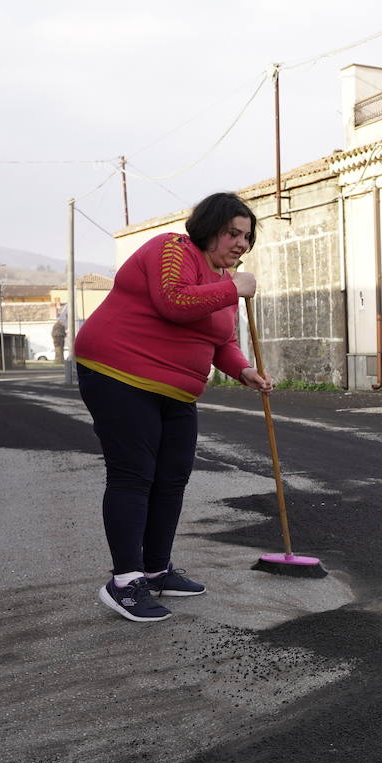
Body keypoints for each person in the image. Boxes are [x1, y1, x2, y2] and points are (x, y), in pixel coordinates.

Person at [74, 192, 272, 622]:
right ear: (209, 227)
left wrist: (243, 371)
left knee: (172, 477)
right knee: (133, 475)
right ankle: (124, 583)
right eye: (232, 233)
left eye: (247, 236)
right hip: (118, 374)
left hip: (177, 390)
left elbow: (222, 341)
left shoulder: (221, 278)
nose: (240, 243)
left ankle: (155, 569)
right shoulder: (172, 249)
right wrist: (232, 288)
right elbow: (175, 301)